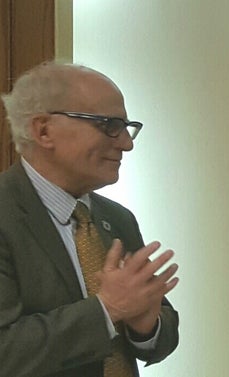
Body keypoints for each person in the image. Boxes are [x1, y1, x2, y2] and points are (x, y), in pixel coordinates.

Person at [0, 62, 180, 376]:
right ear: (44, 130)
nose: (127, 142)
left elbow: (160, 336)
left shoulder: (118, 218)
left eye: (127, 126)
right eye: (109, 124)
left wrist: (146, 326)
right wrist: (108, 308)